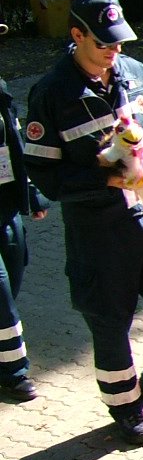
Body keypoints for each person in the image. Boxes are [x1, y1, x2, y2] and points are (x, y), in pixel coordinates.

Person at [24, 0, 143, 445]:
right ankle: (125, 405)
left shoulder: (134, 72)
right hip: (98, 225)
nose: (114, 51)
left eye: (119, 41)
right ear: (76, 35)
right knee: (108, 318)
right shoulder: (51, 93)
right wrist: (106, 177)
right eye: (104, 42)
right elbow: (45, 174)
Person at [0, 78, 49, 402]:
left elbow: (16, 146)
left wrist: (32, 195)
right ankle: (13, 373)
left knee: (13, 281)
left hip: (5, 208)